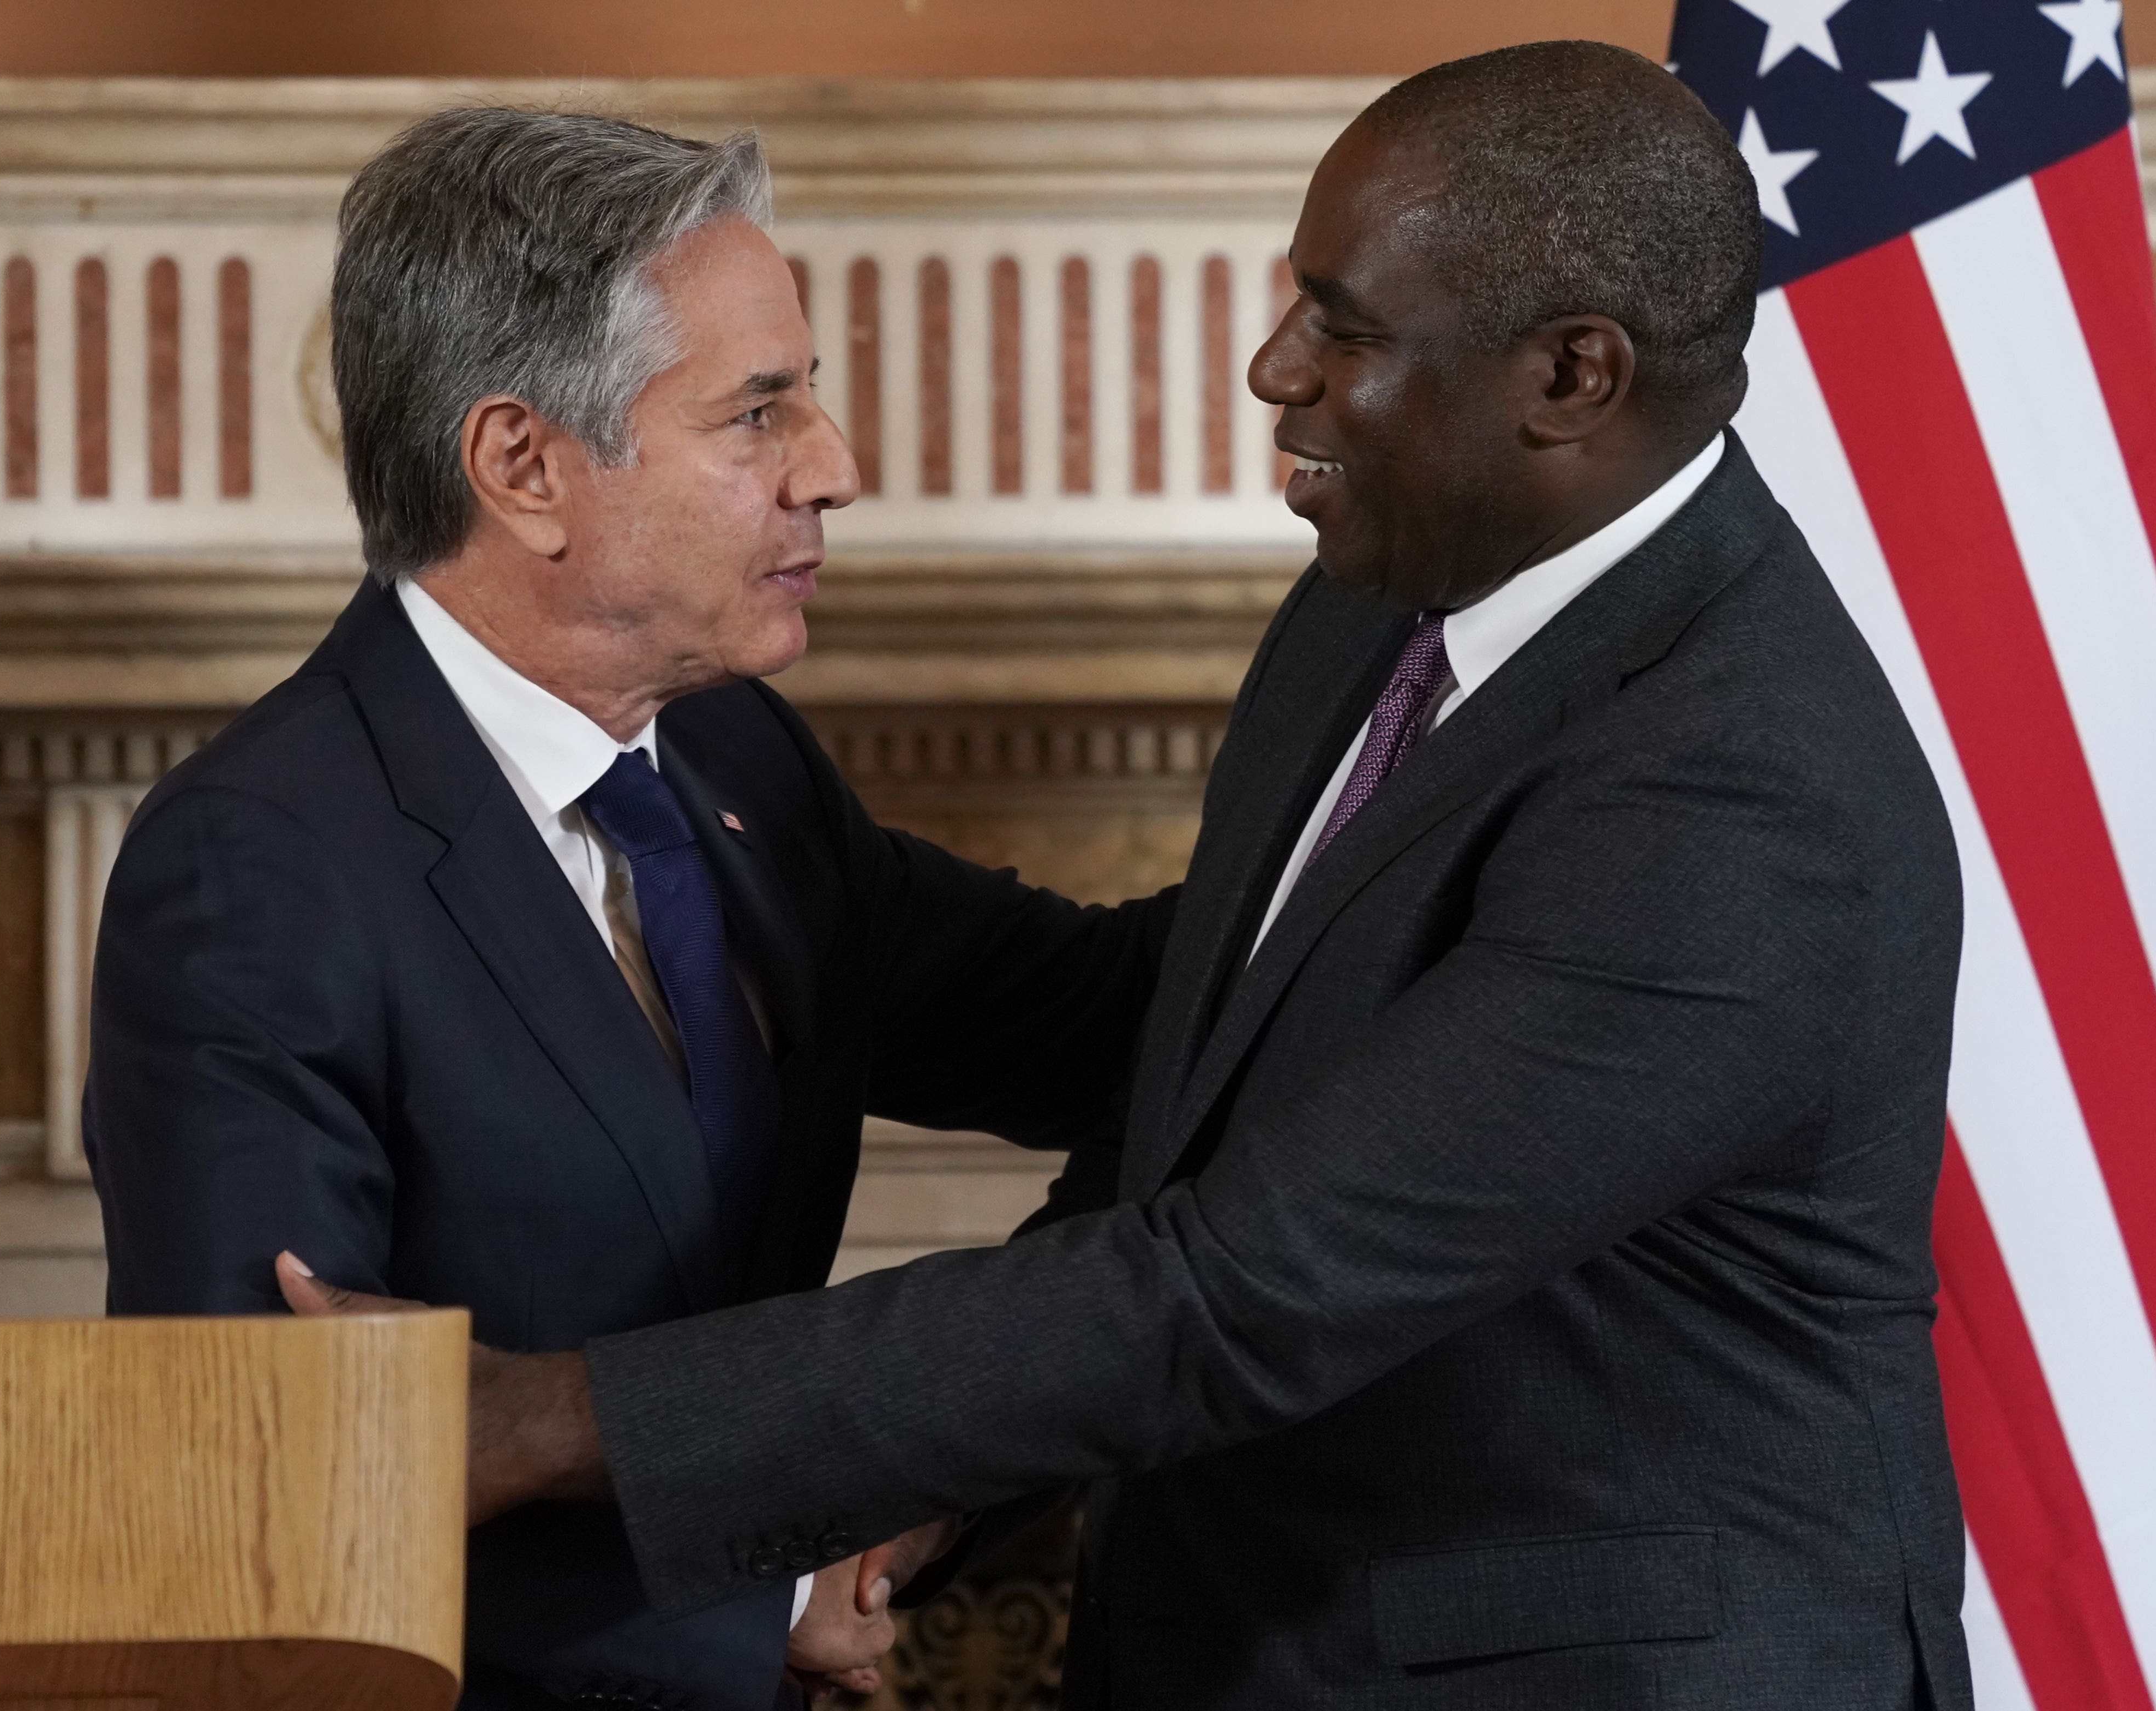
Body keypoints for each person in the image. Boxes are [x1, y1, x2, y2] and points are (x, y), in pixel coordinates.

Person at [286, 43, 1974, 1710]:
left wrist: (530, 1418)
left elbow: (1241, 1284)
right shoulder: (1388, 593)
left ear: (1570, 377)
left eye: (1345, 326)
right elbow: (1204, 1047)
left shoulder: (1742, 790)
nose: (1271, 368)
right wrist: (660, 849)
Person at [84, 108, 1173, 1711]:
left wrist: (1414, 815)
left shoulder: (734, 759)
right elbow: (257, 1473)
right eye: (758, 413)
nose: (836, 466)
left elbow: (1096, 1015)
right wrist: (763, 1601)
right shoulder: (254, 868)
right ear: (524, 464)